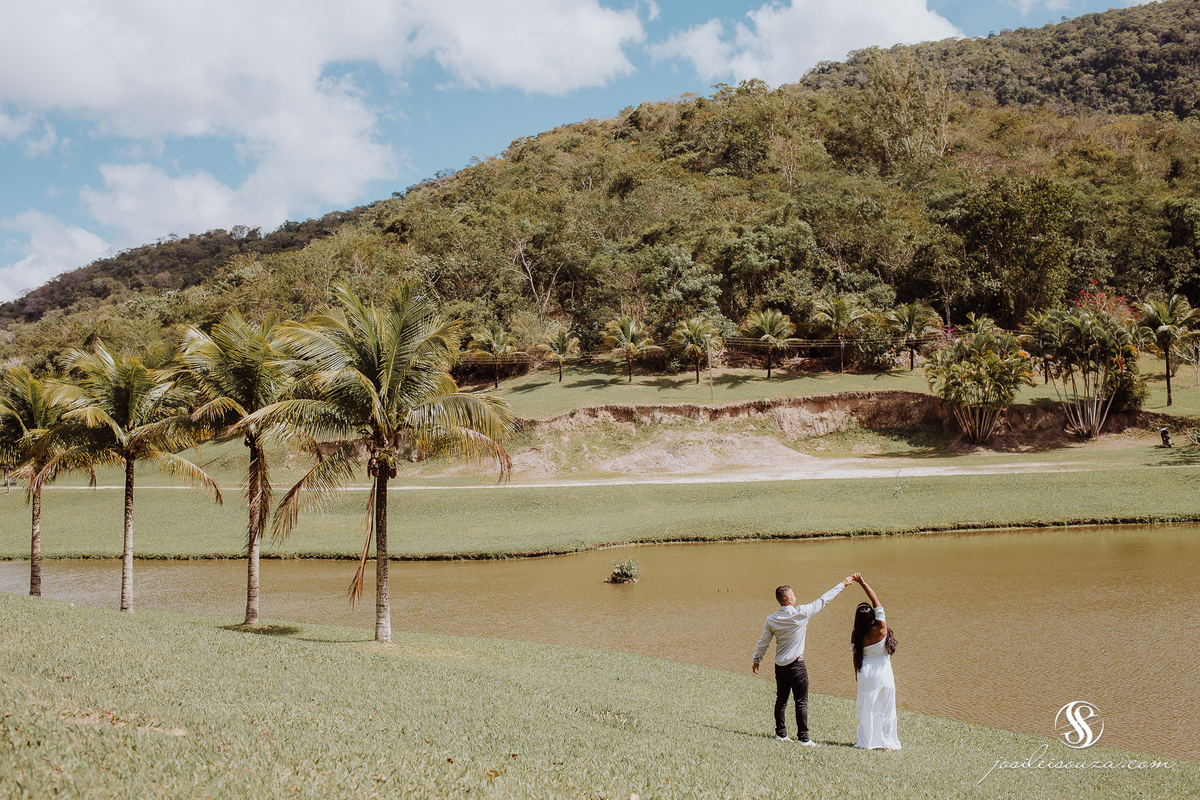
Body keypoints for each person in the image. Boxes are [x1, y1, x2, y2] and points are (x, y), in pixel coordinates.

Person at [752, 575, 854, 745]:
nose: (795, 597)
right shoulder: (802, 613)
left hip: (780, 666)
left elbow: (764, 642)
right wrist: (842, 584)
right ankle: (804, 738)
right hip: (797, 666)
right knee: (801, 702)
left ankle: (781, 734)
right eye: (793, 595)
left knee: (781, 700)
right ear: (789, 600)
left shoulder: (771, 619)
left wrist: (757, 659)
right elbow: (824, 600)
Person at [850, 573, 900, 750]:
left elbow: (856, 655)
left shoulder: (856, 635)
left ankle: (866, 742)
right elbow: (876, 600)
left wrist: (857, 672)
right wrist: (862, 582)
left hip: (865, 672)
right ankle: (887, 743)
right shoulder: (881, 627)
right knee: (886, 710)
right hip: (883, 672)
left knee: (866, 710)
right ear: (872, 617)